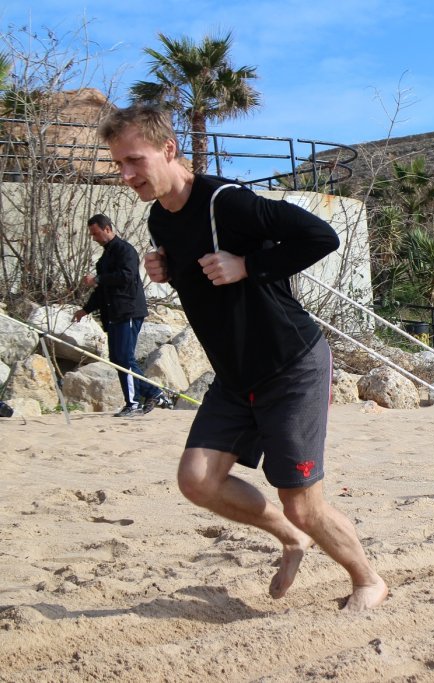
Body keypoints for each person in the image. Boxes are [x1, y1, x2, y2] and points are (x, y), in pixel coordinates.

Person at [98, 104, 388, 611]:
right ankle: (291, 539)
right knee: (197, 480)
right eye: (118, 164)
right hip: (233, 376)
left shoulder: (225, 201)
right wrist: (166, 267)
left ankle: (367, 580)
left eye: (133, 161)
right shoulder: (158, 219)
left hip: (289, 365)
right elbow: (201, 271)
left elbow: (321, 237)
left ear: (168, 150)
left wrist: (248, 264)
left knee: (301, 502)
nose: (125, 175)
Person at [74, 213, 173, 417]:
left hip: (127, 311)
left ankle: (134, 403)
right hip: (113, 313)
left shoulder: (125, 250)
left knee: (125, 358)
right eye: (92, 234)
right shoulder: (104, 258)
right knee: (118, 358)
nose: (94, 238)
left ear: (107, 229)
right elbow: (102, 291)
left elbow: (127, 276)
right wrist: (86, 309)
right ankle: (154, 393)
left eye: (96, 233)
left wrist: (98, 279)